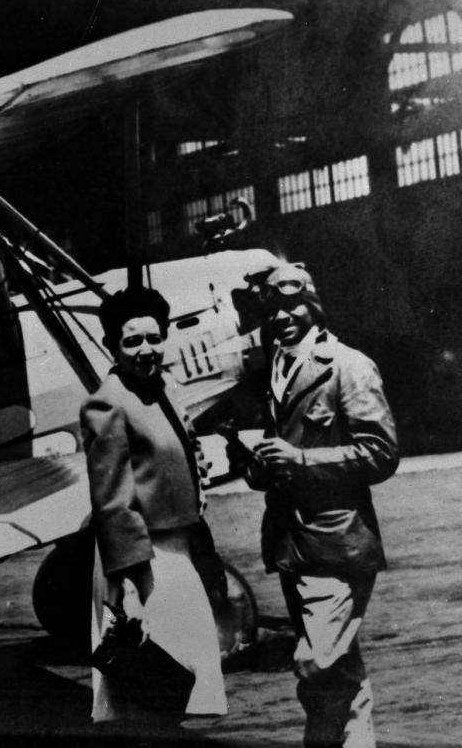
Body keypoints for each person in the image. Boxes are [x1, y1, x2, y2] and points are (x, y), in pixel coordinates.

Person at [227, 262, 398, 748]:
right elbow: (270, 461)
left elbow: (381, 454)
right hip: (290, 545)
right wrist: (255, 461)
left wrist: (300, 459)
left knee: (317, 663)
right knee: (340, 665)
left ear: (313, 304)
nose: (281, 316)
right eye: (270, 308)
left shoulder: (348, 366)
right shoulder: (272, 372)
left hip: (336, 541)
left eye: (291, 304)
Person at [81, 287, 227, 722]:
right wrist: (127, 587)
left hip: (176, 550)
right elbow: (112, 502)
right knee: (157, 679)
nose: (147, 350)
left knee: (182, 678)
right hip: (143, 562)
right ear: (111, 346)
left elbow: (182, 452)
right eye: (132, 341)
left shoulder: (163, 387)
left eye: (155, 338)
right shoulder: (106, 402)